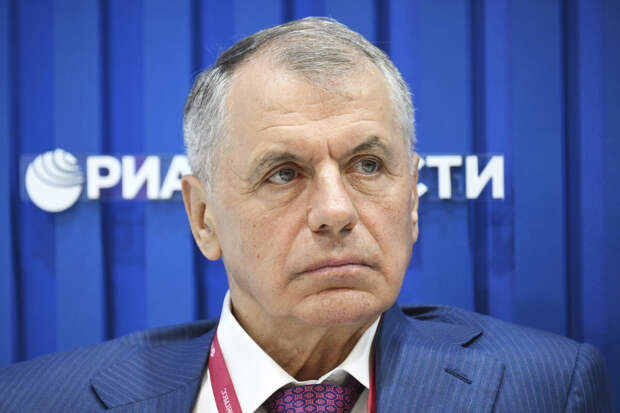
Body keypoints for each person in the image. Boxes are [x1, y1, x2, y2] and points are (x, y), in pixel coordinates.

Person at [0, 17, 612, 413]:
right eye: (284, 173)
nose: (336, 211)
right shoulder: (34, 400)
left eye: (368, 165)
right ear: (203, 217)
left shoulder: (548, 387)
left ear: (412, 198)